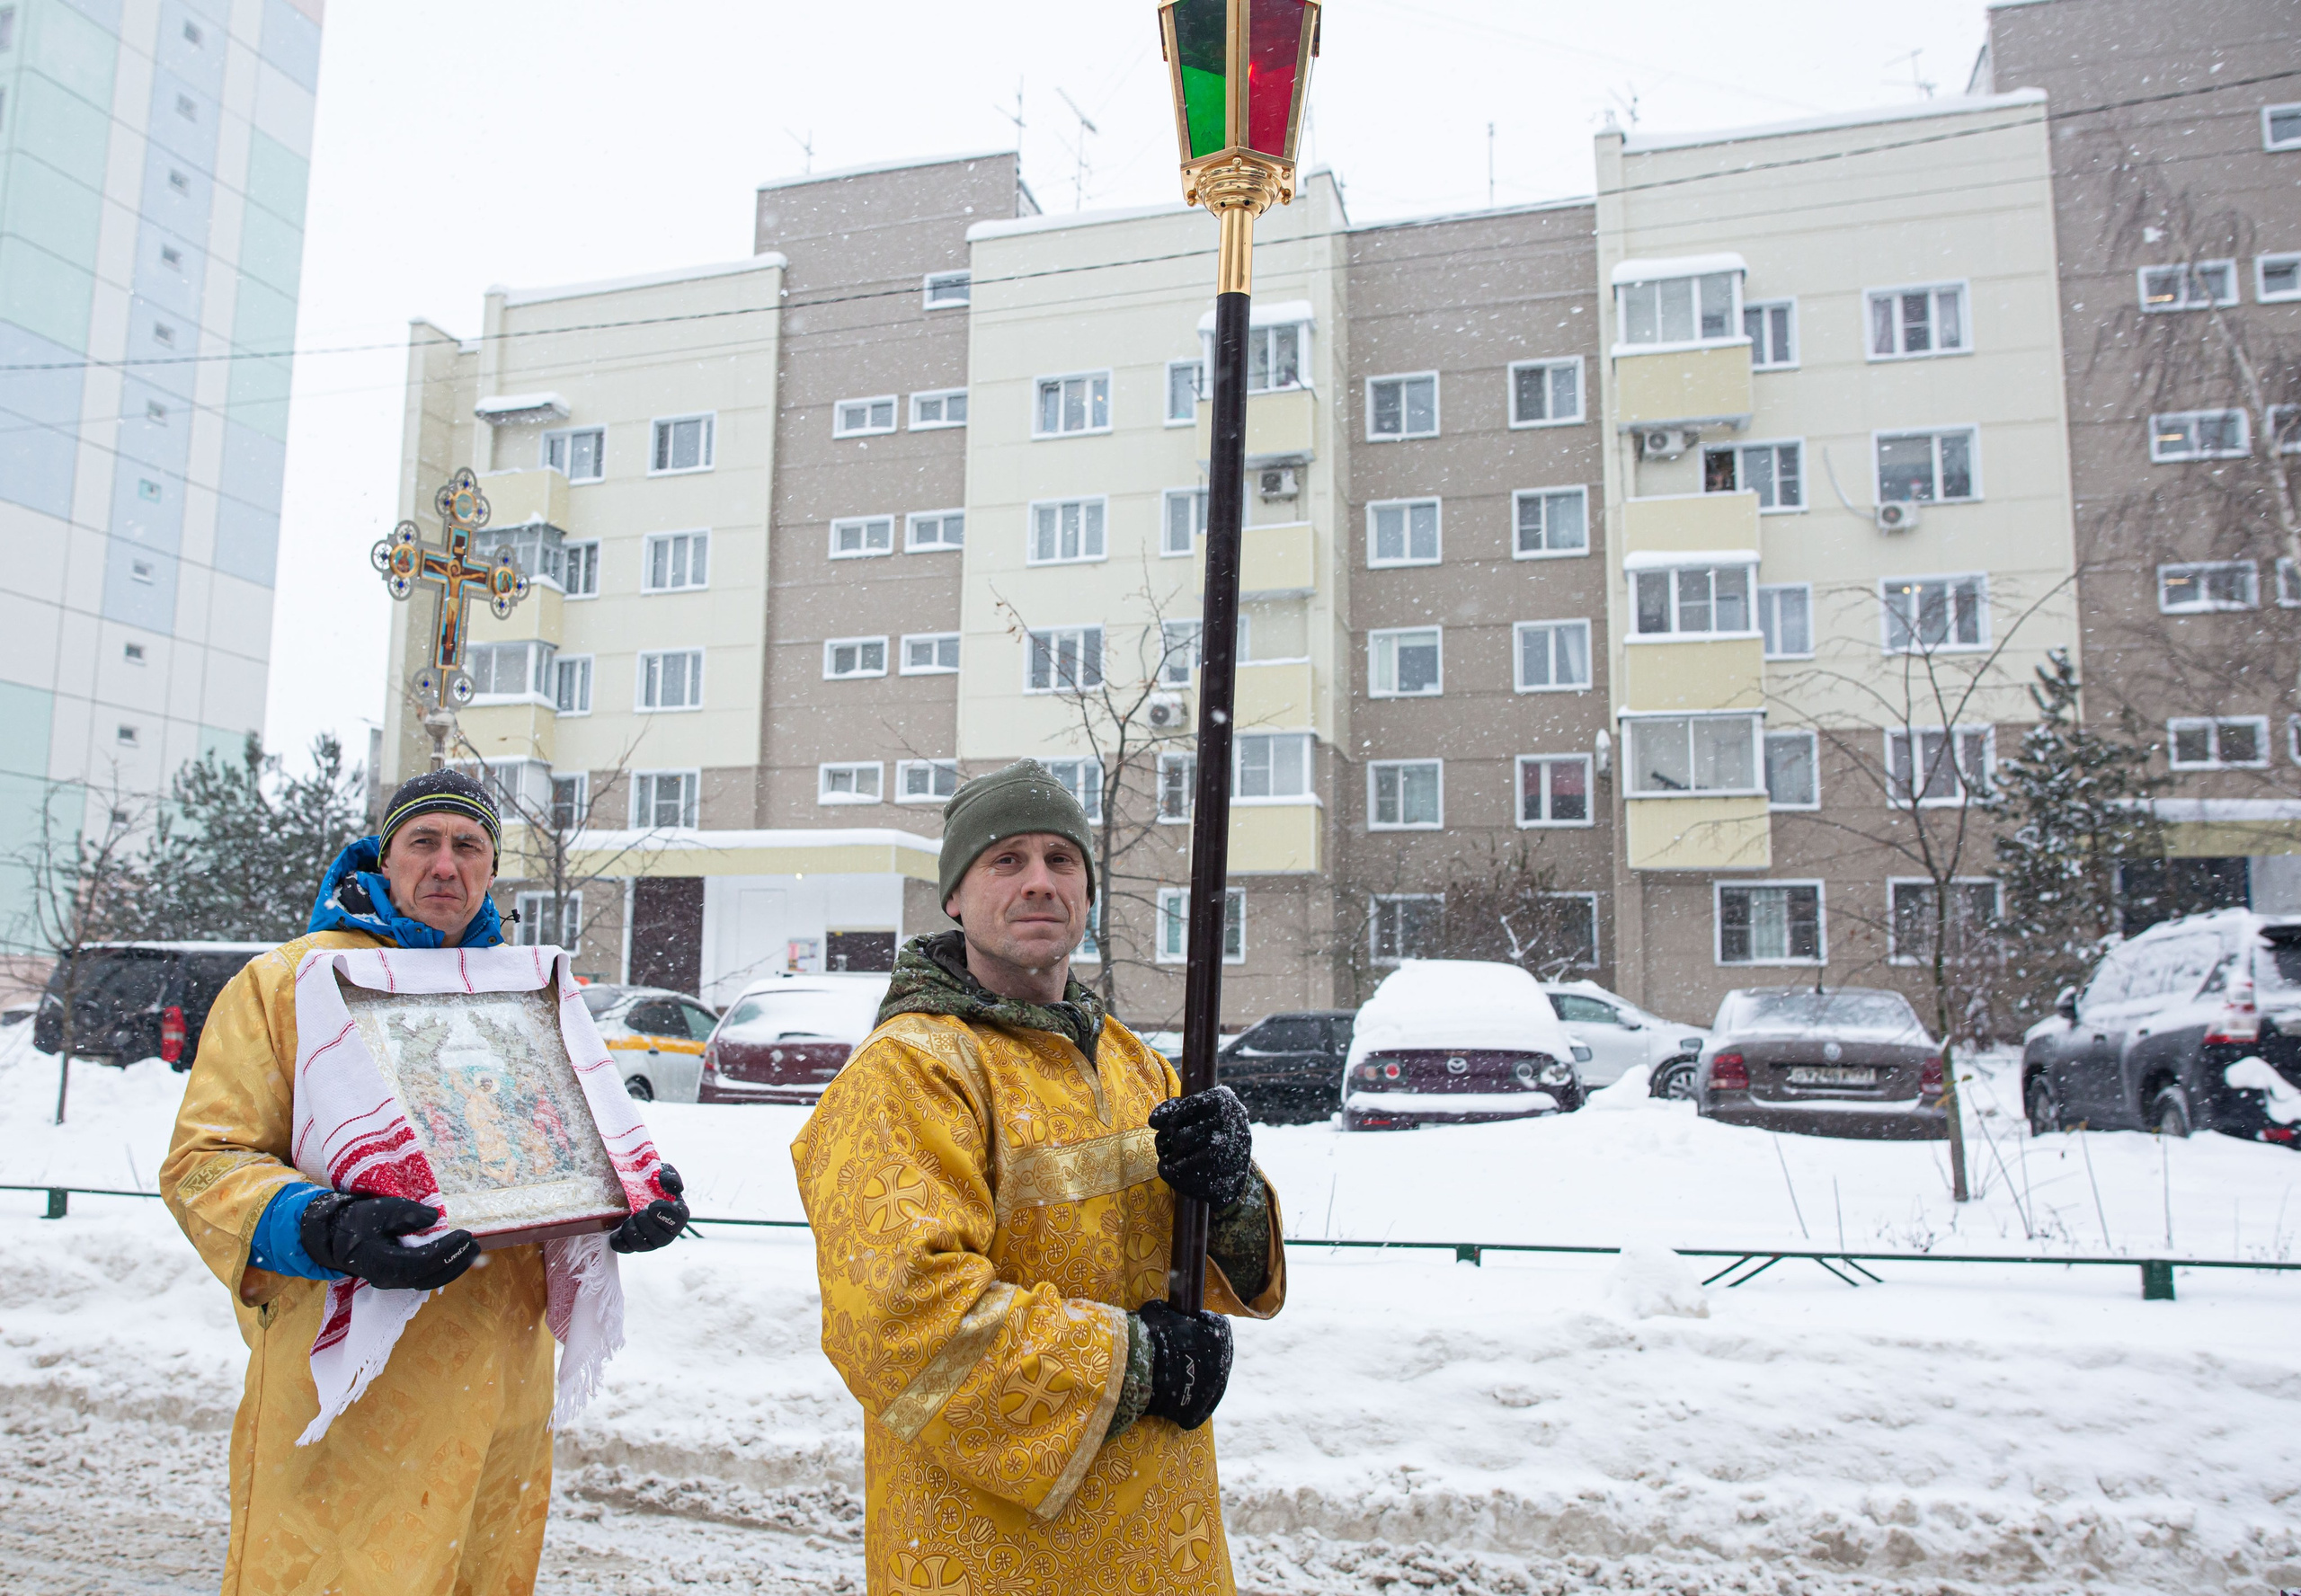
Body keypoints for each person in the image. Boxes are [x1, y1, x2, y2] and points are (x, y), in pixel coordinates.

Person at [159, 769, 689, 1596]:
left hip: (505, 1391)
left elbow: (571, 1149)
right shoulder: (287, 984)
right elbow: (206, 1161)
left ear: (490, 868)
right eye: (424, 842)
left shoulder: (527, 992)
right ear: (385, 855)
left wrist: (620, 1201)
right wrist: (322, 1225)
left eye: (468, 845)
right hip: (350, 1391)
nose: (446, 865)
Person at [793, 758, 1284, 1594]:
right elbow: (903, 1318)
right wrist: (1139, 1363)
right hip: (994, 1550)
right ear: (955, 894)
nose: (1040, 884)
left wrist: (1231, 1192)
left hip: (1163, 1540)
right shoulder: (909, 1073)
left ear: (1088, 892)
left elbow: (1200, 1263)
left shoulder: (1135, 1063)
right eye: (1006, 860)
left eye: (1062, 860)